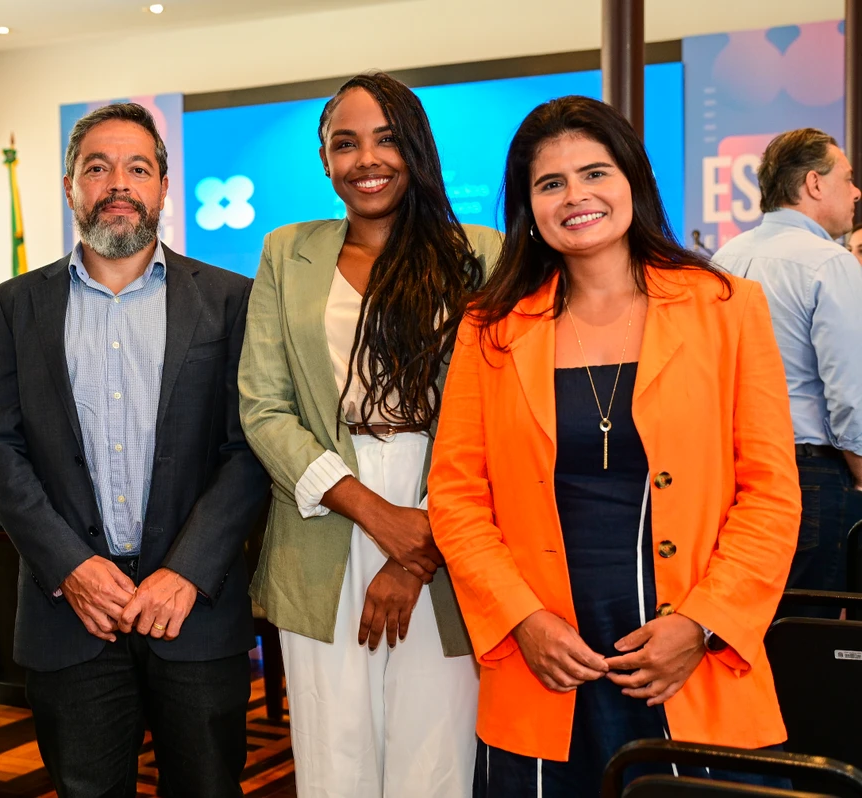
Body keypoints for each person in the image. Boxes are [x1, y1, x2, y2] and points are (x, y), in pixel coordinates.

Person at [428, 95, 801, 795]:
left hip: (690, 656)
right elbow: (455, 495)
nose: (577, 196)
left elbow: (771, 491)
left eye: (595, 173)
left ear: (632, 179)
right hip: (548, 660)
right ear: (528, 208)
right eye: (551, 183)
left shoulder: (727, 308)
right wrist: (523, 620)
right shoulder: (491, 328)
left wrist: (703, 623)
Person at [0, 102, 269, 798]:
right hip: (69, 612)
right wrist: (71, 567)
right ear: (71, 186)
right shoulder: (16, 305)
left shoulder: (231, 302)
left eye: (137, 167)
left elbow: (249, 449)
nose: (118, 183)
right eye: (97, 167)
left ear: (164, 186)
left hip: (194, 611)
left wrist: (187, 572)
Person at [239, 72, 502, 797]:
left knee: (436, 759)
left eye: (387, 139)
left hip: (448, 522)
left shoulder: (479, 251)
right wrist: (377, 515)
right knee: (334, 762)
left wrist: (416, 552)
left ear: (417, 149)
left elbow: (502, 413)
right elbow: (263, 407)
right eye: (345, 143)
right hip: (324, 513)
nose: (367, 159)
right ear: (324, 160)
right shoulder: (286, 251)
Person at [713, 128, 862, 594]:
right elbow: (849, 395)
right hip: (810, 475)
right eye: (848, 177)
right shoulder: (829, 263)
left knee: (752, 631)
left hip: (728, 474)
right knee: (809, 638)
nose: (856, 191)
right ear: (815, 184)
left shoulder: (722, 258)